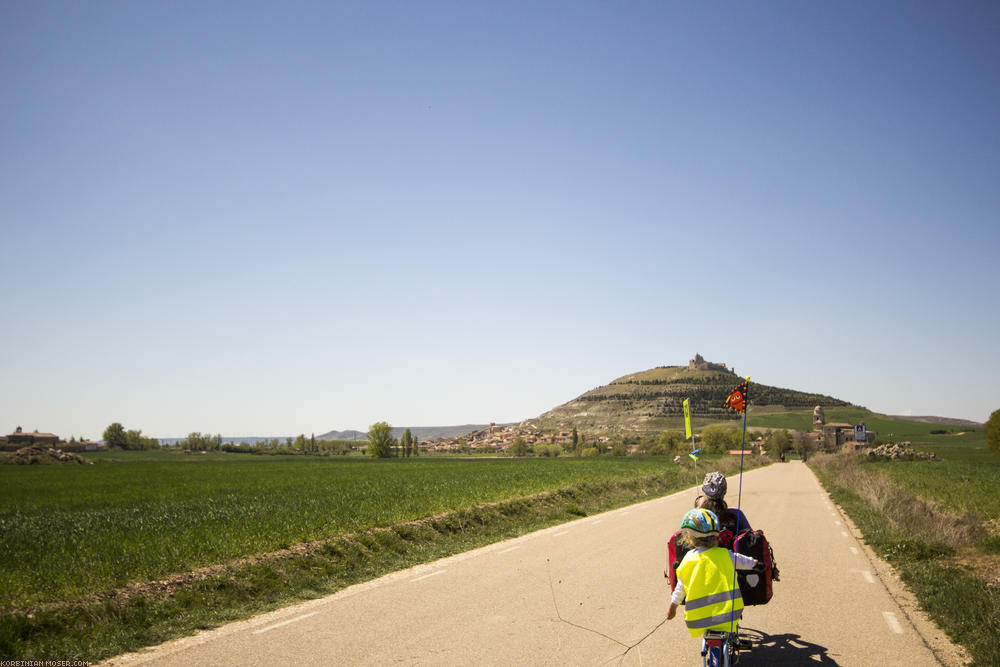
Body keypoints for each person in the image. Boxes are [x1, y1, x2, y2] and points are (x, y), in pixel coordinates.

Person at [667, 508, 760, 637]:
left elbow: (680, 588)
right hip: (729, 614)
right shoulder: (724, 555)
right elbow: (743, 561)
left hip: (697, 620)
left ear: (689, 537)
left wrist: (673, 608)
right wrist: (756, 563)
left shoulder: (687, 560)